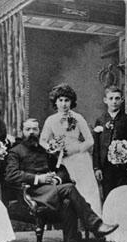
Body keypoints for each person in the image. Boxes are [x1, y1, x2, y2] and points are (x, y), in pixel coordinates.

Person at [5, 118, 119, 242]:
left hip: (52, 190)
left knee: (67, 203)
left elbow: (62, 170)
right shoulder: (15, 151)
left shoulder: (44, 150)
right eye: (28, 129)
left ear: (39, 131)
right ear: (22, 131)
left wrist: (57, 179)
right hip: (32, 194)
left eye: (35, 129)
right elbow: (11, 175)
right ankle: (96, 225)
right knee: (70, 189)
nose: (31, 132)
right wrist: (38, 179)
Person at [40, 83, 102, 216]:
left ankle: (94, 225)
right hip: (62, 162)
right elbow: (43, 141)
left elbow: (90, 141)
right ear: (55, 102)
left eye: (66, 100)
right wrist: (52, 149)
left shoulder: (78, 118)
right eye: (60, 100)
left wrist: (75, 149)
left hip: (80, 160)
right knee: (68, 193)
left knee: (87, 190)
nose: (63, 104)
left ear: (71, 102)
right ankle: (72, 228)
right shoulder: (50, 120)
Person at [92, 85, 127, 200]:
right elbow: (96, 146)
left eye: (117, 98)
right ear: (105, 100)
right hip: (105, 166)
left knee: (122, 194)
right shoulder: (101, 120)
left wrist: (126, 152)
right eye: (111, 98)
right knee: (108, 195)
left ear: (122, 100)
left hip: (122, 166)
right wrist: (97, 167)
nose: (114, 101)